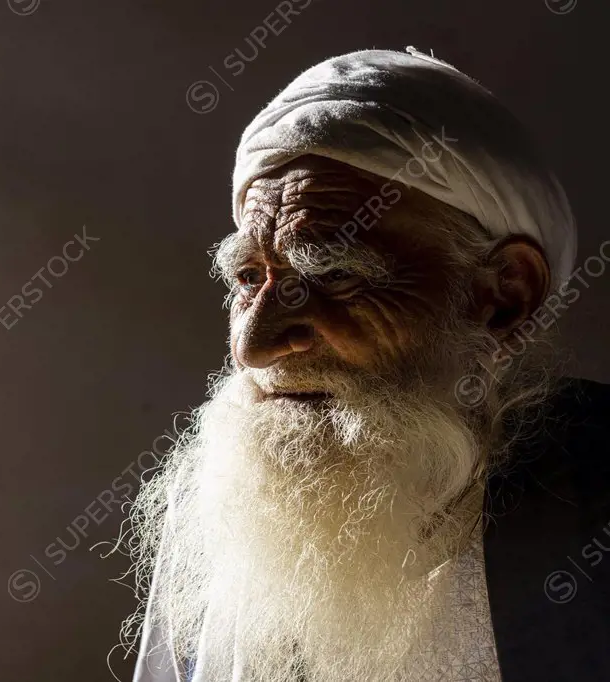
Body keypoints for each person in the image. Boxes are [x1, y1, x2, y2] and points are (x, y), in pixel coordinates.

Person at [128, 47, 610, 682]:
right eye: (249, 277)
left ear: (502, 298)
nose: (256, 344)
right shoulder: (239, 509)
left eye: (331, 272)